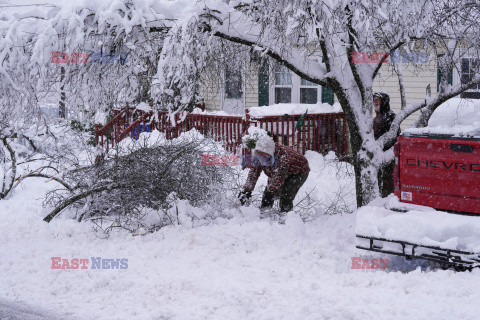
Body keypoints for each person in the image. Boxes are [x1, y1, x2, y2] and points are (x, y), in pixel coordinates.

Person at [238, 135, 310, 213]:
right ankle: (265, 211)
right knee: (267, 193)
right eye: (259, 154)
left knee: (286, 194)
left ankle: (286, 214)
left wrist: (271, 192)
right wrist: (246, 190)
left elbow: (279, 177)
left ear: (269, 152)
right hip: (277, 170)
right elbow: (253, 174)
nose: (261, 157)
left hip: (299, 172)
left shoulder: (283, 157)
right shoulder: (258, 156)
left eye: (263, 154)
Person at [372, 92, 397, 197]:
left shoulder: (390, 117)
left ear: (384, 102)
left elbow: (393, 136)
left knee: (388, 181)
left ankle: (388, 200)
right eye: (374, 100)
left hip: (388, 155)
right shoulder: (376, 118)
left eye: (378, 100)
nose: (375, 103)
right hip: (378, 154)